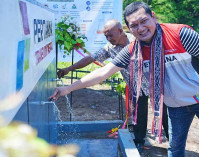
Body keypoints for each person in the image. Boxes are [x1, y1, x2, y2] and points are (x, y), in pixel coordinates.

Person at [50, 2, 199, 156]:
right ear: (129, 29)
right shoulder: (133, 49)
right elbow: (104, 72)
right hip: (176, 106)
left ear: (153, 17)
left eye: (144, 21)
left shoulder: (181, 34)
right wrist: (67, 88)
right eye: (134, 25)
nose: (141, 28)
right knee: (175, 149)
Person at [56, 19, 169, 152]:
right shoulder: (110, 48)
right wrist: (69, 68)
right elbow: (90, 59)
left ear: (121, 31)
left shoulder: (138, 40)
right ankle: (139, 142)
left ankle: (173, 140)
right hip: (136, 87)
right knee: (139, 114)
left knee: (165, 113)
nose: (108, 39)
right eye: (106, 36)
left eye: (110, 35)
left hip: (156, 84)